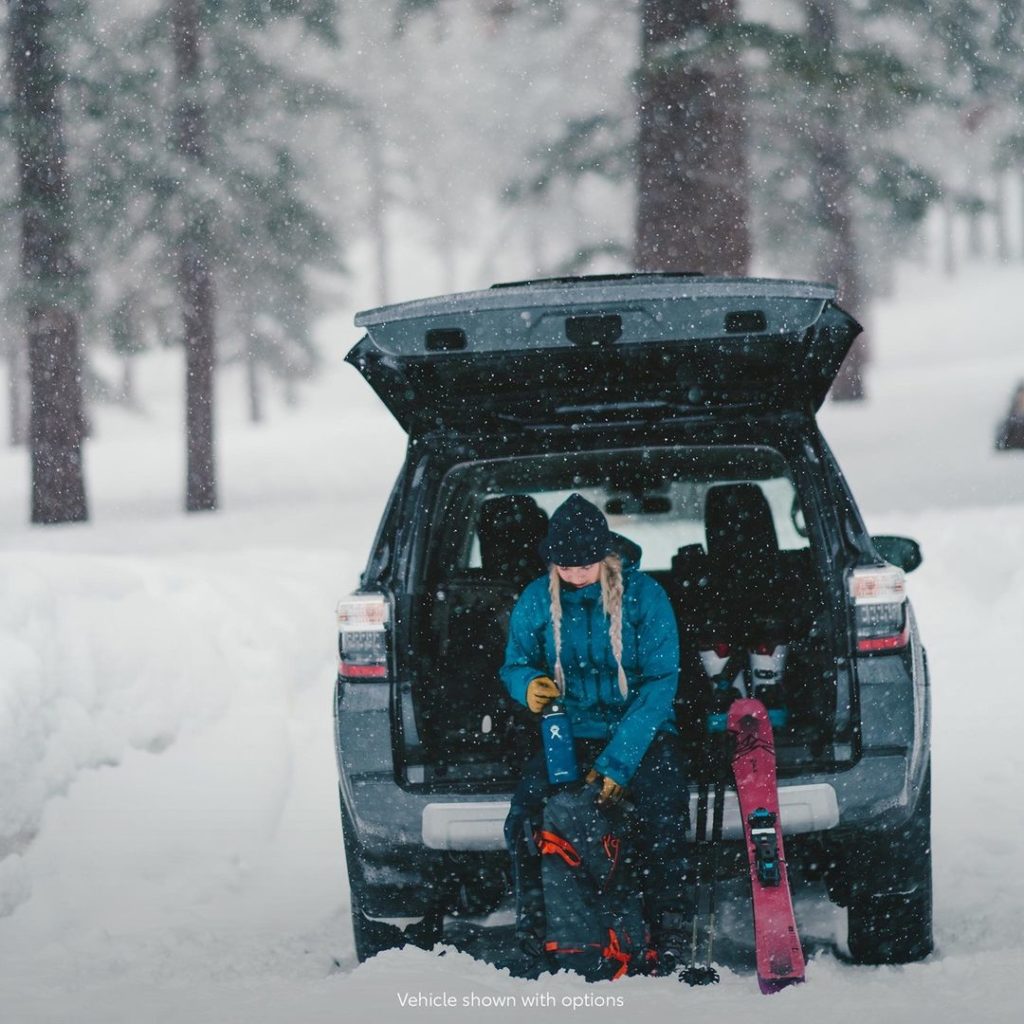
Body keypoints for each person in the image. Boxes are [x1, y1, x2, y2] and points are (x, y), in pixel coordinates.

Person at [499, 492, 692, 973]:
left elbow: (659, 683)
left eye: (584, 563)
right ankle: (536, 929)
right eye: (564, 564)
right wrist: (529, 687)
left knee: (661, 813)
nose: (575, 573)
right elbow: (515, 663)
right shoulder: (535, 599)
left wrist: (618, 765)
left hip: (640, 731)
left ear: (605, 555)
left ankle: (665, 929)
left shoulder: (645, 597)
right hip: (568, 731)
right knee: (524, 815)